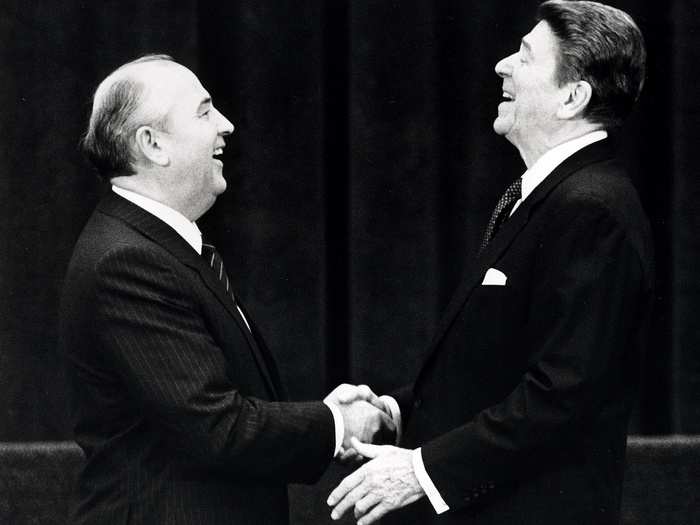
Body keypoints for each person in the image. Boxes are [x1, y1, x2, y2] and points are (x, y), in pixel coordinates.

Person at [327, 1, 652, 524]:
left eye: (524, 56)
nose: (501, 65)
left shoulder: (592, 208)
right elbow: (493, 369)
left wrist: (420, 471)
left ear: (573, 97)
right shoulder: (553, 195)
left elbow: (562, 396)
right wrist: (395, 413)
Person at [59, 55, 394, 525]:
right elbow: (217, 428)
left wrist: (322, 414)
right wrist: (337, 425)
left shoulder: (155, 246)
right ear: (153, 144)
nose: (227, 125)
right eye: (204, 111)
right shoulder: (128, 261)